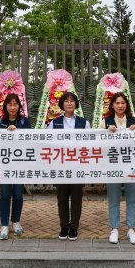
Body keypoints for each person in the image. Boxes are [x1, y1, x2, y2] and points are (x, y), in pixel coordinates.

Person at [47, 91, 87, 240]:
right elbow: (47, 142)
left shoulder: (84, 123)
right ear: (62, 104)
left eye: (72, 100)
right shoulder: (54, 122)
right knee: (62, 198)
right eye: (66, 100)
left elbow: (90, 143)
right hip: (60, 165)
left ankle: (74, 227)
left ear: (76, 104)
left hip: (78, 165)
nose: (69, 103)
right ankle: (64, 226)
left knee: (77, 198)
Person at [0, 93, 31, 240]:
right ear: (5, 107)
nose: (12, 108)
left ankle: (16, 222)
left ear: (19, 106)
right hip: (4, 165)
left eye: (15, 105)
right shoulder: (0, 122)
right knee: (5, 195)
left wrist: (18, 132)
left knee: (18, 195)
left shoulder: (25, 122)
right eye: (10, 105)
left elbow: (30, 140)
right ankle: (4, 224)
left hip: (20, 164)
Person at [104, 92, 135, 244]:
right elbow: (99, 144)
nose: (120, 106)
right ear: (112, 105)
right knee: (113, 198)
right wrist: (107, 131)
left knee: (132, 198)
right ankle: (114, 228)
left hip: (132, 165)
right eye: (117, 103)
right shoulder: (105, 121)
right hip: (112, 165)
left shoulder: (134, 121)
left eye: (123, 103)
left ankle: (131, 228)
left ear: (126, 105)